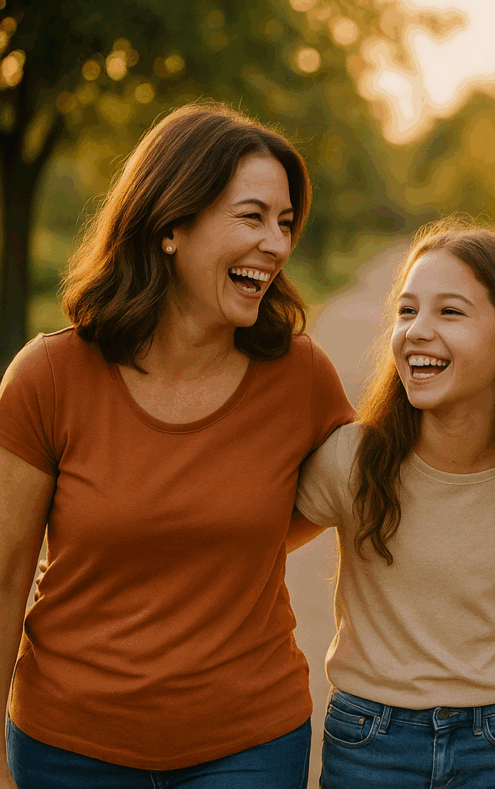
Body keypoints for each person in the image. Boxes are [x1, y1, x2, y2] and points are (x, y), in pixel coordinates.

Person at [0, 104, 352, 788]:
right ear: (171, 226)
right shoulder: (48, 377)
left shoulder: (301, 375)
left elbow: (341, 493)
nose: (277, 245)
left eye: (285, 223)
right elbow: (5, 574)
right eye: (252, 217)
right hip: (67, 745)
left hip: (250, 743)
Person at [295, 220, 495, 789]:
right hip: (369, 739)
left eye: (450, 313)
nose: (416, 331)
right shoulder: (353, 460)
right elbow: (246, 550)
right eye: (407, 311)